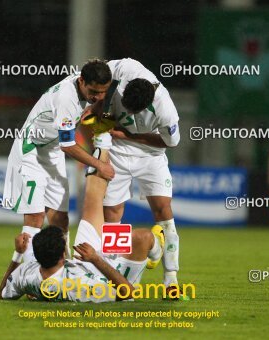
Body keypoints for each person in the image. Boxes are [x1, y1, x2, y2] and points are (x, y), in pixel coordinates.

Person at [0, 132, 165, 302]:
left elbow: (3, 294)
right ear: (63, 256)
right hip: (111, 273)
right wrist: (95, 259)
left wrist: (18, 254)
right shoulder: (78, 287)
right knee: (143, 237)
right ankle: (156, 251)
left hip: (83, 258)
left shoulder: (28, 273)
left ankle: (102, 137)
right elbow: (127, 293)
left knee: (92, 191)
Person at [2, 59, 115, 261]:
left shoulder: (91, 85)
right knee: (36, 217)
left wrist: (98, 110)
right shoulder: (66, 98)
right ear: (81, 81)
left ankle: (63, 268)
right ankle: (28, 275)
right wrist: (99, 164)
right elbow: (68, 145)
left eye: (103, 91)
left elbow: (96, 101)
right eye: (94, 92)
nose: (98, 96)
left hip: (52, 151)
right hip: (32, 151)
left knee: (61, 219)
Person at [103, 58, 181, 290]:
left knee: (163, 211)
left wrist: (130, 136)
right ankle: (117, 275)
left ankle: (171, 280)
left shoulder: (166, 110)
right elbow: (96, 72)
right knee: (112, 215)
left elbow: (170, 143)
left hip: (150, 154)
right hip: (116, 150)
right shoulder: (125, 68)